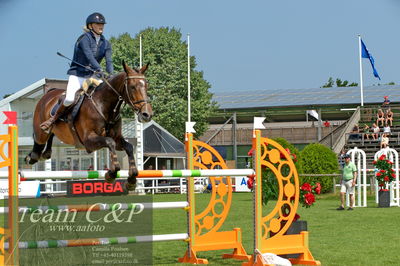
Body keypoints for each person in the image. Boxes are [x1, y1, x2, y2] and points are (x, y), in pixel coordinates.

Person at [40, 12, 114, 131]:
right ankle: (53, 119)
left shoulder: (106, 43)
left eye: (102, 24)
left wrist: (111, 75)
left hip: (92, 77)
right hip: (78, 75)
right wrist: (99, 69)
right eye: (98, 24)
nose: (101, 26)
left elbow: (109, 61)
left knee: (107, 95)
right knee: (69, 98)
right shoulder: (84, 39)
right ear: (90, 26)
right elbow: (89, 56)